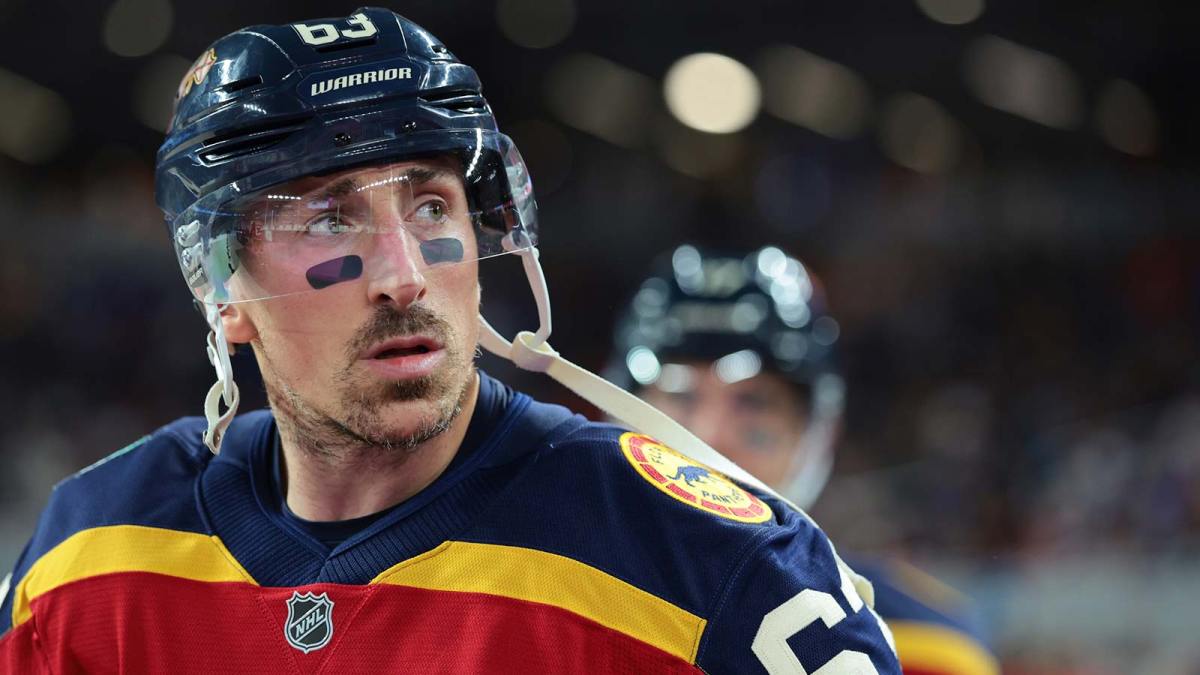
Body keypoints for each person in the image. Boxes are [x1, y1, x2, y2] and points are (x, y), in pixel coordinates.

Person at [0, 8, 899, 673]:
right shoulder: (89, 553)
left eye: (431, 204)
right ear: (224, 291)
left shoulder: (716, 562)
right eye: (329, 221)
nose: (403, 272)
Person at [611, 244, 1002, 675]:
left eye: (754, 402)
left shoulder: (926, 649)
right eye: (680, 396)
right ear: (616, 412)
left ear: (820, 431)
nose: (710, 434)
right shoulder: (540, 593)